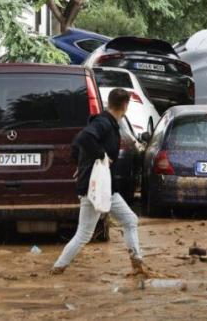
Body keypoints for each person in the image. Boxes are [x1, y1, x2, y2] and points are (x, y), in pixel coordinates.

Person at [51, 88, 145, 275]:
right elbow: (83, 138)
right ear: (124, 106)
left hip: (106, 188)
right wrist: (101, 155)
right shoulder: (104, 123)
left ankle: (137, 264)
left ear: (109, 102)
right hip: (94, 188)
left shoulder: (108, 122)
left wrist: (82, 163)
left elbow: (77, 145)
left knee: (130, 220)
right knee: (84, 234)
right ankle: (58, 267)